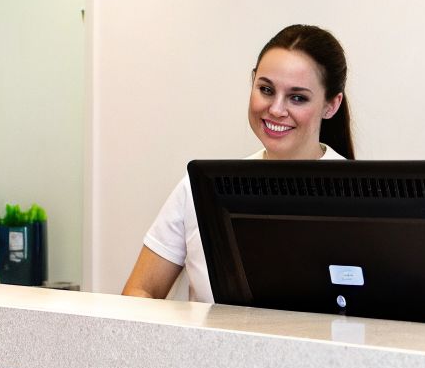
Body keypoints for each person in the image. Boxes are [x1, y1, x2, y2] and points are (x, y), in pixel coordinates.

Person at [122, 24, 354, 301]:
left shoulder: (358, 195)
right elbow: (140, 290)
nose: (276, 109)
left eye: (297, 97)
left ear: (331, 105)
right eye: (266, 89)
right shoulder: (200, 188)